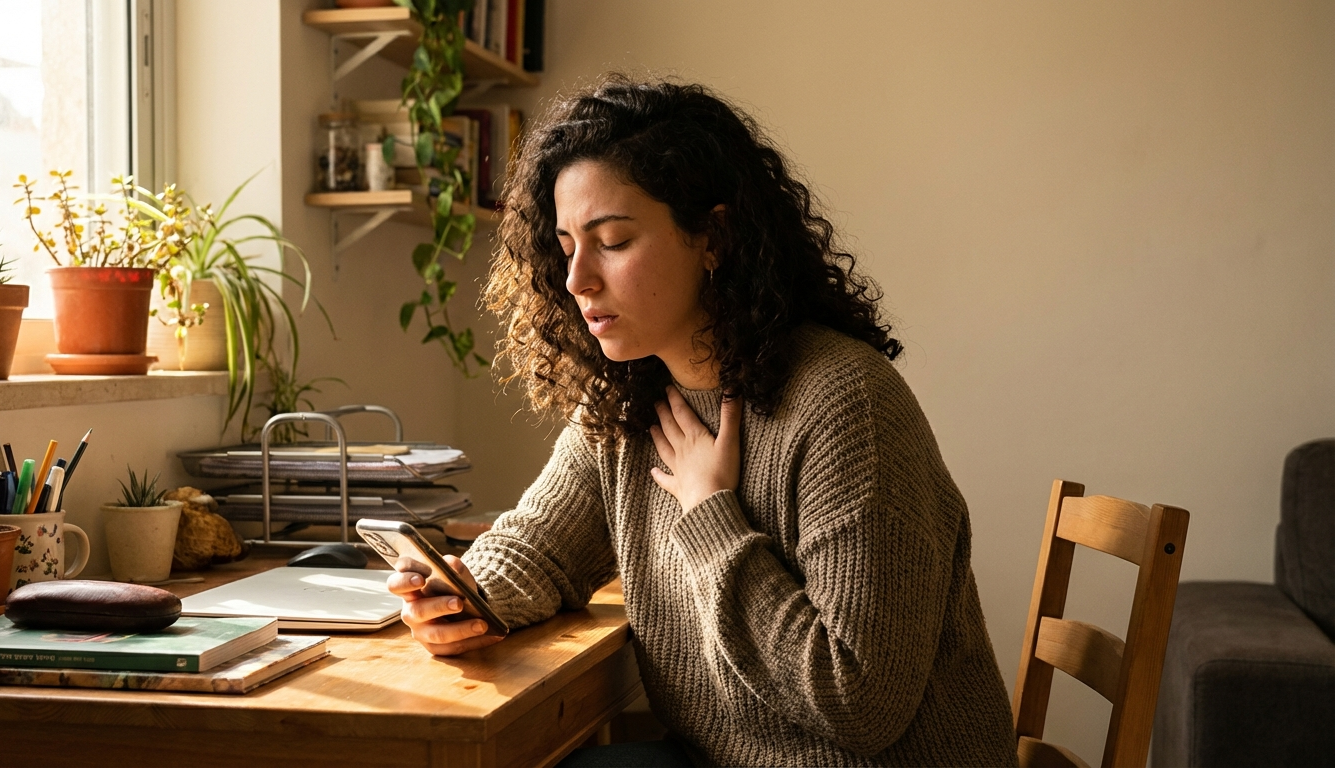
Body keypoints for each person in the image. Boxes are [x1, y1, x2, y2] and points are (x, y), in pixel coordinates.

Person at [387, 75, 1019, 767]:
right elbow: (541, 547)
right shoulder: (628, 399)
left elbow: (858, 704)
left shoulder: (846, 404)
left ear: (712, 236)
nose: (577, 281)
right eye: (567, 245)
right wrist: (463, 596)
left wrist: (711, 514)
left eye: (613, 241)